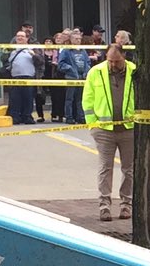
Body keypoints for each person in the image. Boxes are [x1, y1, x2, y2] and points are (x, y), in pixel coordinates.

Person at [84, 38, 136, 222]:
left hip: (128, 128)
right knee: (105, 168)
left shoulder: (134, 71)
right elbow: (87, 100)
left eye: (117, 61)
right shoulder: (95, 72)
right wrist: (93, 124)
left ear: (124, 56)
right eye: (110, 60)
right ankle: (104, 206)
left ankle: (126, 205)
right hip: (104, 130)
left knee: (129, 169)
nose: (113, 64)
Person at [5, 30, 39, 125]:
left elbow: (40, 62)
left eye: (22, 36)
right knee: (15, 99)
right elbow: (4, 60)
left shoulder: (32, 49)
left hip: (28, 78)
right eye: (18, 36)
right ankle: (15, 117)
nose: (20, 38)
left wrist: (34, 55)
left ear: (26, 39)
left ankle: (27, 117)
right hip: (15, 78)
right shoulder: (11, 49)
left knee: (28, 99)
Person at [56, 30, 88, 125]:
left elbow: (88, 62)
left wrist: (87, 71)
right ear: (71, 40)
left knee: (80, 99)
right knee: (69, 99)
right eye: (76, 39)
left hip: (82, 77)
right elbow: (60, 64)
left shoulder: (83, 51)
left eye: (79, 39)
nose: (78, 41)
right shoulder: (66, 50)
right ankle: (69, 117)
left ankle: (80, 117)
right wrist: (69, 68)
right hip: (71, 77)